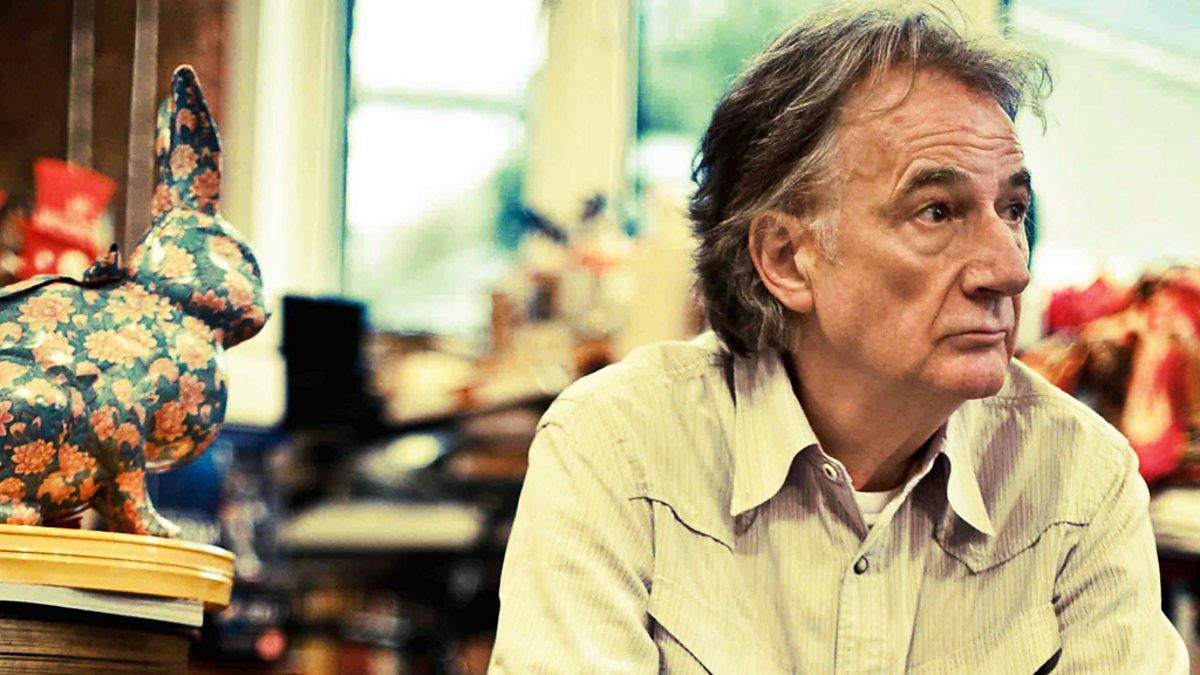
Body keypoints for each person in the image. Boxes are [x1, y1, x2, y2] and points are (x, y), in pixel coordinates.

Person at [489, 5, 1189, 674]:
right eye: (937, 211)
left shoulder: (1078, 479)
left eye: (1012, 210)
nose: (1010, 268)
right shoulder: (620, 447)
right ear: (788, 259)